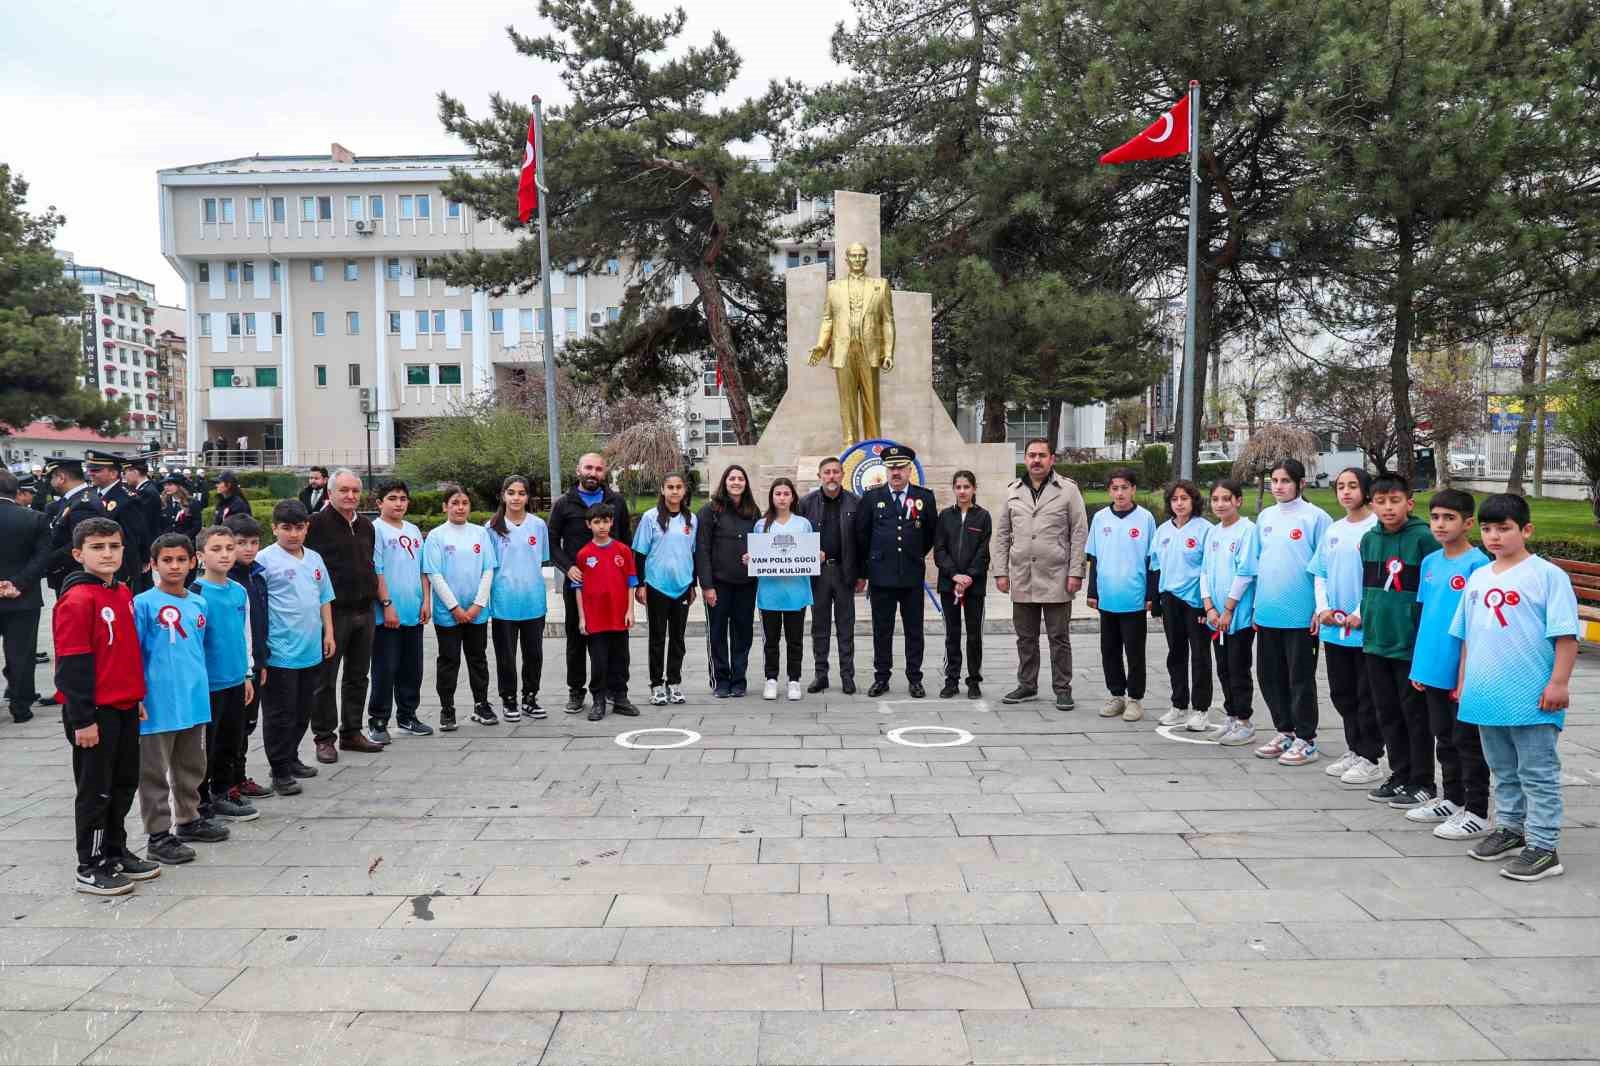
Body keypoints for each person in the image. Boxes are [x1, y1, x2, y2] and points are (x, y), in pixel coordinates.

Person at [1452, 492, 1577, 881]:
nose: (1494, 536)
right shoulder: (1478, 577)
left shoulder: (1547, 575)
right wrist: (1463, 683)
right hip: (1486, 694)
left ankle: (1543, 846)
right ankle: (1511, 828)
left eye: (1504, 529)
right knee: (1502, 768)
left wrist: (1558, 683)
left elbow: (1566, 636)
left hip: (1531, 695)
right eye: (1487, 528)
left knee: (1537, 771)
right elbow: (1469, 636)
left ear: (1526, 530)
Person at [54, 516, 158, 895]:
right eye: (98, 547)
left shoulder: (121, 592)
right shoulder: (78, 599)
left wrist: (137, 696)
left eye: (114, 546)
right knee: (96, 788)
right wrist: (83, 718)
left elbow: (125, 653)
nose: (108, 553)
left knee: (123, 782)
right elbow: (73, 664)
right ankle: (90, 863)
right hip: (94, 712)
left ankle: (115, 850)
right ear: (79, 553)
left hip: (125, 704)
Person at [134, 532, 230, 865]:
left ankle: (188, 819)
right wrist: (137, 695)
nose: (174, 566)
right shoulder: (143, 604)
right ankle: (158, 834)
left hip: (193, 698)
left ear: (193, 562)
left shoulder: (198, 602)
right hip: (157, 703)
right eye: (166, 560)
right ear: (153, 564)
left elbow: (199, 649)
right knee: (154, 771)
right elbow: (134, 653)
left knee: (192, 764)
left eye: (181, 560)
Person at [1408, 489, 1491, 839]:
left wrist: (1465, 672)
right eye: (1436, 517)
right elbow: (1427, 614)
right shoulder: (1430, 563)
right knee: (1443, 735)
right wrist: (1419, 665)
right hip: (1433, 666)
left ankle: (1477, 809)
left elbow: (1476, 626)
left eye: (1449, 518)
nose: (1440, 525)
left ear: (1468, 523)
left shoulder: (1479, 565)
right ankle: (1453, 798)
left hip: (1463, 669)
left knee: (1466, 741)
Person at [1358, 472, 1442, 806]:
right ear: (1372, 504)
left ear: (1410, 502)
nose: (1388, 508)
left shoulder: (1423, 540)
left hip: (1409, 643)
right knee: (1387, 712)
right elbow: (1367, 588)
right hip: (1376, 639)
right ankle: (1399, 774)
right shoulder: (1368, 540)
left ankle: (1423, 780)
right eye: (1380, 501)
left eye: (1395, 500)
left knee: (1415, 716)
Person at [993, 438, 1088, 711]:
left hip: (1057, 575)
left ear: (1052, 459)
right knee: (1025, 636)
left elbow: (1079, 533)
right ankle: (1027, 685)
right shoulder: (1013, 491)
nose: (1036, 460)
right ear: (1025, 459)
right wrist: (1001, 572)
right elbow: (1002, 535)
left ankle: (1062, 689)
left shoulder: (1068, 490)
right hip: (1023, 575)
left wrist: (1076, 572)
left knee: (1059, 637)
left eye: (1042, 455)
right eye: (1032, 455)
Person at [1251, 458, 1331, 764]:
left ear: (1301, 484)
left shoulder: (1316, 518)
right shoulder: (1265, 517)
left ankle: (1305, 738)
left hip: (1301, 614)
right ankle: (1284, 731)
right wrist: (1257, 606)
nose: (1279, 486)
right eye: (1274, 481)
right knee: (1269, 676)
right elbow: (1260, 563)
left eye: (1285, 481)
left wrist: (1318, 608)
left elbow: (1324, 568)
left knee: (1300, 678)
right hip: (1269, 612)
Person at [1306, 468, 1384, 780]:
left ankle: (1371, 756)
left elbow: (1379, 579)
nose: (1346, 492)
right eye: (1341, 486)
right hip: (1334, 628)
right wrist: (1323, 608)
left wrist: (1359, 611)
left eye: (1353, 486)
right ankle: (1353, 748)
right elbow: (1320, 572)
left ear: (1366, 491)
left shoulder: (1377, 529)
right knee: (1342, 693)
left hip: (1364, 629)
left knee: (1368, 695)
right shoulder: (1334, 530)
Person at [256, 499, 336, 796]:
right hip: (280, 652)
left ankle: (291, 758)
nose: (293, 534)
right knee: (280, 713)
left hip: (310, 649)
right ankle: (279, 770)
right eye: (286, 528)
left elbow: (324, 596)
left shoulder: (314, 558)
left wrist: (329, 632)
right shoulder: (264, 561)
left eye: (299, 528)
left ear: (307, 528)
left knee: (303, 710)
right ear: (274, 528)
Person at [304, 469, 383, 762]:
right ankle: (324, 737)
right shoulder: (315, 525)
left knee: (358, 676)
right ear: (330, 493)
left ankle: (352, 731)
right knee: (325, 679)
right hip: (333, 614)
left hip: (364, 609)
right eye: (344, 491)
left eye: (355, 491)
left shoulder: (366, 525)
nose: (350, 496)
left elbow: (370, 561)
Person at [548, 453, 633, 713]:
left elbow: (626, 542)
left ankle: (615, 691)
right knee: (577, 638)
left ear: (604, 473)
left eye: (598, 469)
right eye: (588, 468)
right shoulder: (564, 504)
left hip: (613, 589)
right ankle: (576, 691)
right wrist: (568, 566)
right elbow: (551, 544)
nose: (592, 473)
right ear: (578, 470)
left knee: (616, 639)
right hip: (579, 585)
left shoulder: (616, 502)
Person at [853, 445, 938, 698]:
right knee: (882, 630)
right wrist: (867, 569)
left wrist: (913, 555)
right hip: (881, 576)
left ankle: (915, 678)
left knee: (914, 630)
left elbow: (930, 535)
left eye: (901, 467)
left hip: (911, 575)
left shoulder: (925, 497)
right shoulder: (871, 498)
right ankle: (882, 677)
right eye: (891, 468)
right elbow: (862, 535)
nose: (896, 472)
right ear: (885, 471)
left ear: (910, 470)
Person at [190, 526, 258, 823]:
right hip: (208, 685)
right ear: (200, 556)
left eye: (229, 548)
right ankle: (200, 800)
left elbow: (246, 635)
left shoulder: (239, 591)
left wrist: (247, 673)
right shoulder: (195, 594)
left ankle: (223, 791)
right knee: (208, 744)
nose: (225, 554)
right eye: (216, 549)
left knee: (231, 740)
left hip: (234, 680)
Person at [1087, 467, 1157, 722]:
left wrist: (1151, 594)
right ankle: (1116, 694)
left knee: (1135, 650)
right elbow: (1094, 557)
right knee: (1110, 649)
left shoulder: (1146, 519)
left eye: (1124, 488)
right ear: (1109, 491)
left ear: (1133, 489)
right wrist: (1092, 591)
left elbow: (1152, 560)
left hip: (1135, 598)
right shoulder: (1100, 518)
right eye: (1115, 488)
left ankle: (1135, 698)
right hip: (1108, 596)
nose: (1119, 493)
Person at [424, 484, 496, 729]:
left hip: (476, 612)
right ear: (445, 506)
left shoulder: (480, 534)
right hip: (448, 614)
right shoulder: (436, 536)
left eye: (464, 503)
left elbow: (488, 570)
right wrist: (454, 608)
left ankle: (481, 705)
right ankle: (447, 709)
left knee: (478, 658)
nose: (460, 507)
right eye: (455, 503)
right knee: (449, 659)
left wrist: (478, 605)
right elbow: (434, 575)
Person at [368, 479, 434, 742]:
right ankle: (378, 721)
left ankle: (407, 716)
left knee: (412, 668)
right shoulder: (375, 530)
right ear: (379, 503)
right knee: (385, 669)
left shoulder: (414, 530)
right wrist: (387, 605)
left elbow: (422, 570)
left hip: (413, 612)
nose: (398, 503)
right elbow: (377, 571)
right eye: (392, 498)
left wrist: (426, 601)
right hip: (387, 616)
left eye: (403, 498)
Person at [484, 474, 549, 722]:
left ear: (528, 497)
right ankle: (509, 699)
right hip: (504, 602)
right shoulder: (491, 528)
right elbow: (488, 566)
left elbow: (541, 558)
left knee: (534, 653)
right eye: (511, 492)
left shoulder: (537, 525)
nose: (516, 498)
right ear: (503, 495)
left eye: (521, 493)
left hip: (533, 600)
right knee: (506, 656)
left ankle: (530, 697)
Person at [1152, 480, 1215, 731]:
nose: (1179, 503)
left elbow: (1210, 568)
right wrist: (1156, 599)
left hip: (1197, 602)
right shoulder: (1163, 531)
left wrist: (1206, 603)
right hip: (1171, 599)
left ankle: (1201, 709)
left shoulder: (1205, 530)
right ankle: (1179, 705)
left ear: (1194, 501)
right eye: (1175, 499)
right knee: (1175, 654)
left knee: (1200, 655)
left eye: (1184, 499)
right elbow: (1155, 565)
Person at [1202, 480, 1261, 745]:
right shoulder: (1213, 533)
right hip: (1216, 617)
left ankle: (1244, 721)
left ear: (1238, 500)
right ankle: (1231, 714)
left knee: (1238, 667)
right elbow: (1204, 571)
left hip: (1237, 617)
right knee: (1223, 668)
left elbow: (1245, 572)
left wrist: (1227, 609)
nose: (1220, 504)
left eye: (1226, 498)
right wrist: (1210, 608)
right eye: (1215, 499)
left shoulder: (1247, 531)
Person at [796, 457, 861, 694]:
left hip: (845, 573)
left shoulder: (855, 502)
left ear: (842, 474)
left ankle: (847, 676)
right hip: (818, 575)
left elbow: (862, 541)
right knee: (820, 627)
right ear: (819, 476)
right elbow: (798, 538)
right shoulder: (806, 503)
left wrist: (861, 574)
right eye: (827, 472)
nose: (831, 476)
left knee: (846, 626)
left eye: (835, 472)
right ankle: (820, 675)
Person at [632, 473, 697, 706]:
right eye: (670, 487)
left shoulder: (691, 519)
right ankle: (657, 685)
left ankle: (674, 683)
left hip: (681, 586)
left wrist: (693, 585)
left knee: (678, 638)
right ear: (662, 489)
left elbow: (694, 554)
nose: (674, 491)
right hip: (657, 586)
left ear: (684, 490)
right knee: (657, 638)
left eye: (679, 487)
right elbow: (639, 553)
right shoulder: (650, 518)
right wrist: (640, 584)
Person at [697, 464, 761, 698]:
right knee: (717, 632)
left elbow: (761, 545)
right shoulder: (709, 511)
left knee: (743, 632)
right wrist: (707, 585)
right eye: (732, 478)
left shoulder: (753, 511)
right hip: (718, 584)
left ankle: (739, 679)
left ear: (746, 484)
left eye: (740, 479)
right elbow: (702, 550)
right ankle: (721, 680)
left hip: (746, 584)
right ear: (725, 482)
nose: (736, 482)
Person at [572, 502, 640, 721]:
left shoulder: (623, 551)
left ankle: (620, 698)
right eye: (597, 522)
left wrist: (630, 610)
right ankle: (598, 699)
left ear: (612, 522)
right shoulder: (584, 554)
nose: (602, 526)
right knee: (599, 661)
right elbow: (578, 589)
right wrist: (583, 618)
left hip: (619, 616)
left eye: (606, 521)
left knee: (621, 659)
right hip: (595, 618)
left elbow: (631, 583)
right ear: (588, 524)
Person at [223, 513, 274, 799]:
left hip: (255, 662)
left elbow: (260, 623)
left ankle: (239, 776)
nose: (249, 549)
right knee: (230, 727)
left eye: (254, 542)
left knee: (247, 724)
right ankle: (225, 782)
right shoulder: (225, 581)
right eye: (241, 543)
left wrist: (262, 660)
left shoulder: (257, 575)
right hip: (232, 667)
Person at [753, 477, 814, 702]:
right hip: (770, 592)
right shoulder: (761, 525)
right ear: (772, 497)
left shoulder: (803, 524)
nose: (782, 498)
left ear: (793, 497)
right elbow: (757, 555)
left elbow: (809, 552)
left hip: (796, 592)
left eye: (786, 493)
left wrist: (817, 556)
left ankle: (794, 680)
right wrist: (751, 558)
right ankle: (771, 679)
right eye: (777, 493)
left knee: (795, 638)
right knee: (771, 639)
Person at [933, 470, 991, 699]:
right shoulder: (945, 516)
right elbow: (939, 550)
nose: (963, 491)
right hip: (949, 585)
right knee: (952, 634)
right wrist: (954, 575)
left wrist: (969, 577)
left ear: (974, 489)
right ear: (954, 489)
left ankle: (974, 680)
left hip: (974, 586)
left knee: (974, 635)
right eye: (958, 487)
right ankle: (951, 679)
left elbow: (983, 552)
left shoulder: (983, 517)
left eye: (967, 486)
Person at [0, 469, 50, 723]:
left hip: (18, 594)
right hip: (23, 597)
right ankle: (20, 705)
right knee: (22, 652)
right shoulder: (36, 519)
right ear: (16, 491)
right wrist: (17, 583)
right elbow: (42, 558)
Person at [85, 451, 149, 588]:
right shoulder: (90, 495)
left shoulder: (128, 499)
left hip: (118, 568)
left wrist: (129, 570)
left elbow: (134, 537)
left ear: (113, 474)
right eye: (90, 470)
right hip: (94, 564)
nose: (91, 473)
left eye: (96, 470)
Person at [122, 456, 163, 590]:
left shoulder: (147, 492)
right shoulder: (144, 489)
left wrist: (145, 554)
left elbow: (142, 526)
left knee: (141, 586)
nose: (125, 476)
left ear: (135, 472)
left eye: (126, 472)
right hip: (143, 546)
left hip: (143, 547)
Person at [161, 474, 202, 539]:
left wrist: (184, 538)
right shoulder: (163, 502)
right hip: (166, 542)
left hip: (185, 542)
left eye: (170, 484)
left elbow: (197, 526)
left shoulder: (192, 502)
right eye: (165, 485)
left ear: (179, 486)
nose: (166, 487)